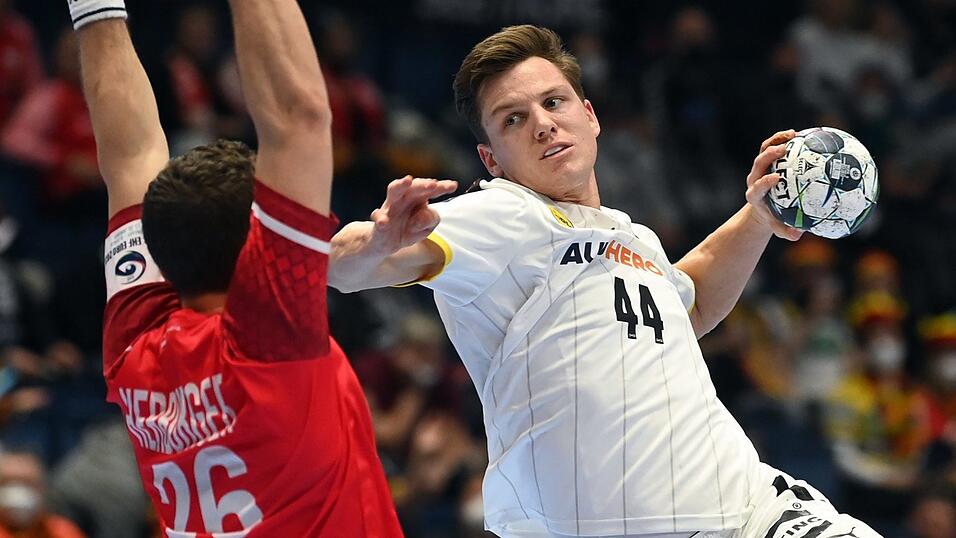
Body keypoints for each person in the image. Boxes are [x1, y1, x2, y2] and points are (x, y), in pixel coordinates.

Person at [330, 24, 882, 538]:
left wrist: (757, 218)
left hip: (747, 505)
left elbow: (686, 308)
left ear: (589, 115)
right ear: (490, 159)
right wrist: (376, 242)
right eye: (513, 119)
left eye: (553, 102)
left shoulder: (630, 234)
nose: (544, 122)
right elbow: (342, 267)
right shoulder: (500, 214)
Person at [68, 0, 401, 535]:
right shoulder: (269, 336)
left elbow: (130, 154)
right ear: (256, 247)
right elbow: (298, 117)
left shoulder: (136, 345)